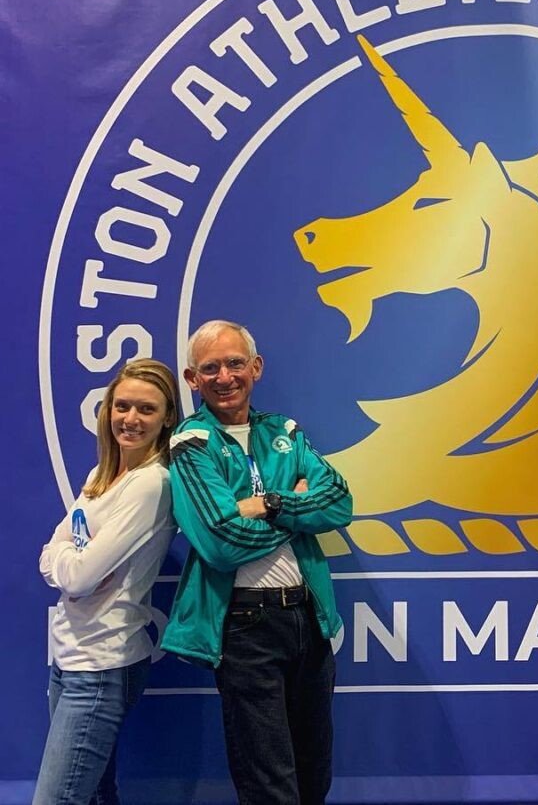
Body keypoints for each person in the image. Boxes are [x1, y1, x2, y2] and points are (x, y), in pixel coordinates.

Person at [161, 320, 352, 805]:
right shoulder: (191, 443)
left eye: (235, 363)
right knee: (270, 784)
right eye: (210, 368)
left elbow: (339, 502)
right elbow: (221, 541)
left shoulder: (284, 430)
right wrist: (296, 509)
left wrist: (268, 504)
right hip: (246, 625)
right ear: (192, 379)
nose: (225, 377)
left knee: (314, 775)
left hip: (309, 617)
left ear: (256, 367)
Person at [34, 359, 180, 805]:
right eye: (122, 406)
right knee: (97, 795)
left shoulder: (151, 484)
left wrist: (66, 561)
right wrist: (66, 561)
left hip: (101, 666)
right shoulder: (100, 477)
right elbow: (51, 554)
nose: (130, 419)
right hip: (68, 657)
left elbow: (77, 577)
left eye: (146, 409)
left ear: (167, 419)